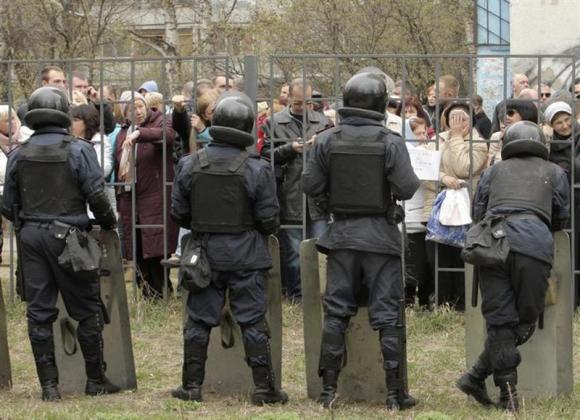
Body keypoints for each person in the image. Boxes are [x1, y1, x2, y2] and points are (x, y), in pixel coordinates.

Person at [303, 71, 420, 410]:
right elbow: (407, 188)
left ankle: (328, 392)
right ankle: (395, 395)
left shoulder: (326, 139)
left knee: (337, 312)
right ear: (382, 104)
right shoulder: (390, 141)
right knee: (388, 315)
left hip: (341, 237)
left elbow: (310, 185)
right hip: (380, 238)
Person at [1, 87, 119, 400]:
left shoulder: (18, 153)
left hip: (32, 238)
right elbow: (96, 195)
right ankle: (95, 380)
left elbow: (7, 204)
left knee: (39, 314)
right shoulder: (79, 150)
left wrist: (29, 221)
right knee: (87, 309)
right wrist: (108, 224)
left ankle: (49, 387)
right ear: (63, 112)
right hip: (71, 238)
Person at [170, 91, 288, 405]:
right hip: (246, 255)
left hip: (203, 255)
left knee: (197, 320)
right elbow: (269, 221)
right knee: (252, 320)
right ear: (247, 126)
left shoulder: (188, 164)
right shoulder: (257, 168)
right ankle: (264, 389)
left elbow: (178, 214)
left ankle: (191, 387)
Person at [456, 121, 569, 412]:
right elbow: (562, 217)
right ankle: (505, 394)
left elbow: (477, 211)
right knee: (525, 319)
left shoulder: (493, 171)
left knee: (500, 321)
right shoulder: (555, 172)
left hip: (494, 246)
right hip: (534, 246)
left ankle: (483, 378)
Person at [261, 78, 330, 302]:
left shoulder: (323, 122)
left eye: (308, 102)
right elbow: (265, 157)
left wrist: (321, 143)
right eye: (298, 102)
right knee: (292, 252)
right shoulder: (273, 122)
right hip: (289, 194)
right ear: (288, 98)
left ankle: (320, 293)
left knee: (321, 248)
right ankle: (297, 295)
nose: (303, 107)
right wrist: (290, 149)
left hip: (318, 196)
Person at [424, 102, 488, 309]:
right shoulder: (437, 140)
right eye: (453, 118)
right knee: (438, 256)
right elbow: (423, 171)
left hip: (467, 206)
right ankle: (442, 303)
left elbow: (464, 168)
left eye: (463, 118)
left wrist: (458, 137)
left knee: (463, 255)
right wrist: (443, 178)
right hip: (438, 205)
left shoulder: (479, 142)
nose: (458, 123)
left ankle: (463, 304)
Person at [115, 91, 179, 299]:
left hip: (156, 198)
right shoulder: (122, 132)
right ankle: (146, 295)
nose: (138, 111)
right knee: (138, 249)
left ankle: (162, 294)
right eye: (131, 108)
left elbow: (168, 136)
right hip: (130, 198)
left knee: (157, 250)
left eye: (140, 106)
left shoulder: (161, 121)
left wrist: (140, 134)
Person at [544, 101, 580, 307]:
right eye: (558, 123)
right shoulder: (550, 145)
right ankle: (570, 301)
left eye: (567, 120)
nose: (565, 126)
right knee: (567, 252)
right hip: (564, 206)